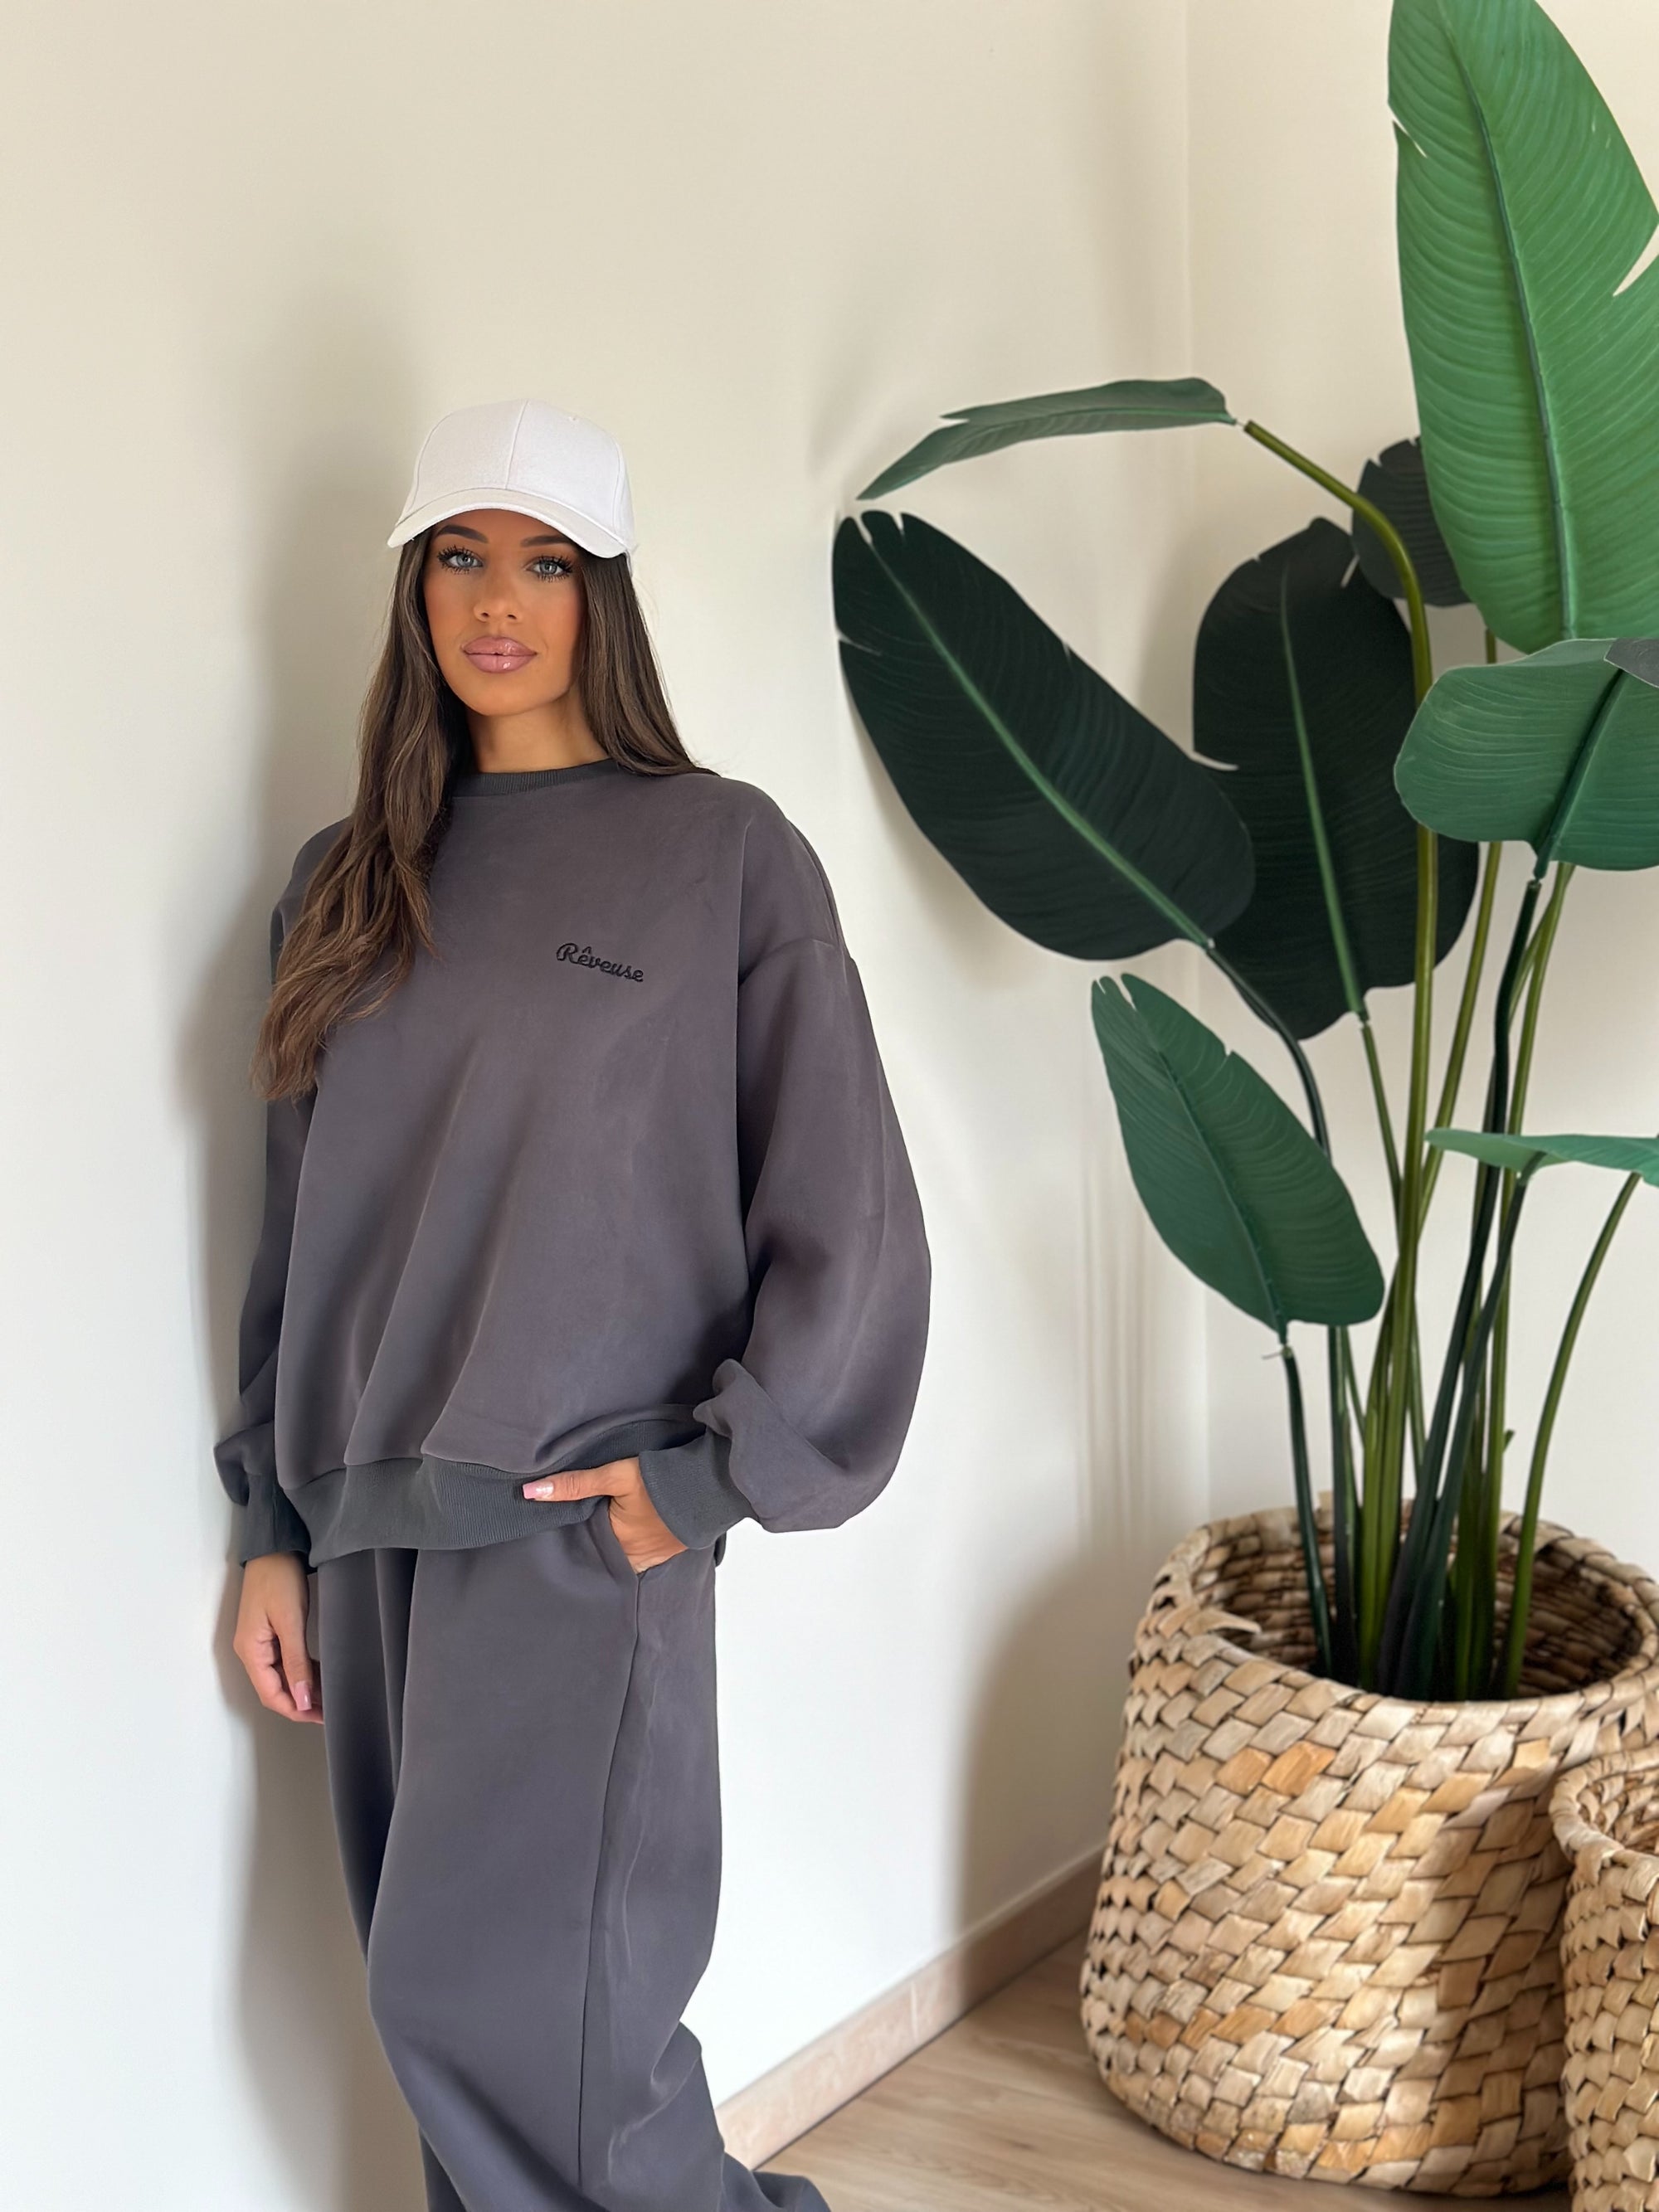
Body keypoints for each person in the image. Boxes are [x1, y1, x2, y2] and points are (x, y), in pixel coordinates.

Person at [216, 397, 932, 2212]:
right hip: (371, 1530)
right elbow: (300, 1231)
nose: (497, 600)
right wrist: (269, 1526)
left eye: (545, 562)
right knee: (470, 2061)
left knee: (539, 2037)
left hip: (577, 1520)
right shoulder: (342, 883)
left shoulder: (721, 853)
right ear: (414, 588)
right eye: (460, 555)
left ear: (602, 594)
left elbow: (843, 1199)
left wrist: (706, 1479)